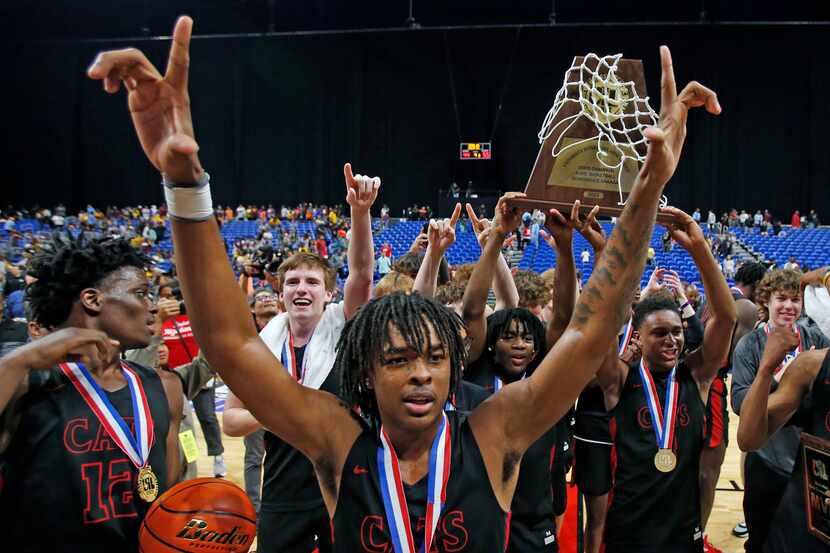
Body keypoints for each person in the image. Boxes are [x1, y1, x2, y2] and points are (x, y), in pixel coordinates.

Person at [90, 22, 717, 550]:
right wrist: (185, 181)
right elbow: (229, 341)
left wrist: (647, 191)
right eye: (397, 359)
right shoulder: (336, 437)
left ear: (452, 369)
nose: (420, 373)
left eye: (433, 358)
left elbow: (589, 330)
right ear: (365, 370)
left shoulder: (496, 429)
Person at [0, 236, 183, 553]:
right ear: (92, 300)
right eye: (140, 293)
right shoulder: (26, 380)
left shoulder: (165, 386)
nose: (152, 305)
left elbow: (165, 491)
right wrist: (23, 359)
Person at [223, 199, 377, 552]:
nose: (301, 289)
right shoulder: (260, 346)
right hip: (282, 485)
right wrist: (277, 411)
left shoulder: (344, 326)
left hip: (345, 484)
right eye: (292, 282)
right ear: (281, 294)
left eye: (312, 281)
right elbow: (230, 420)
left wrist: (360, 211)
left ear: (330, 293)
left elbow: (363, 272)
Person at [595, 206, 736, 553]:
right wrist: (610, 255)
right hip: (629, 528)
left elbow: (726, 317)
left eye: (676, 332)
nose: (671, 339)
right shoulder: (619, 378)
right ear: (637, 338)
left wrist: (699, 247)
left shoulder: (696, 375)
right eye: (659, 333)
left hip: (682, 528)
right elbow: (598, 326)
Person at [730, 269, 830, 552]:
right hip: (766, 457)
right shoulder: (750, 344)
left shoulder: (816, 339)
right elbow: (739, 401)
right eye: (781, 299)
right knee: (761, 539)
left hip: (807, 461)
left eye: (795, 300)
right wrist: (779, 379)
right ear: (767, 301)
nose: (788, 306)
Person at [696, 261, 767, 541]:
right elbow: (743, 358)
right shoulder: (747, 308)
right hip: (712, 385)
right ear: (758, 285)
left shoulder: (711, 297)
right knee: (710, 469)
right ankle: (697, 537)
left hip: (693, 382)